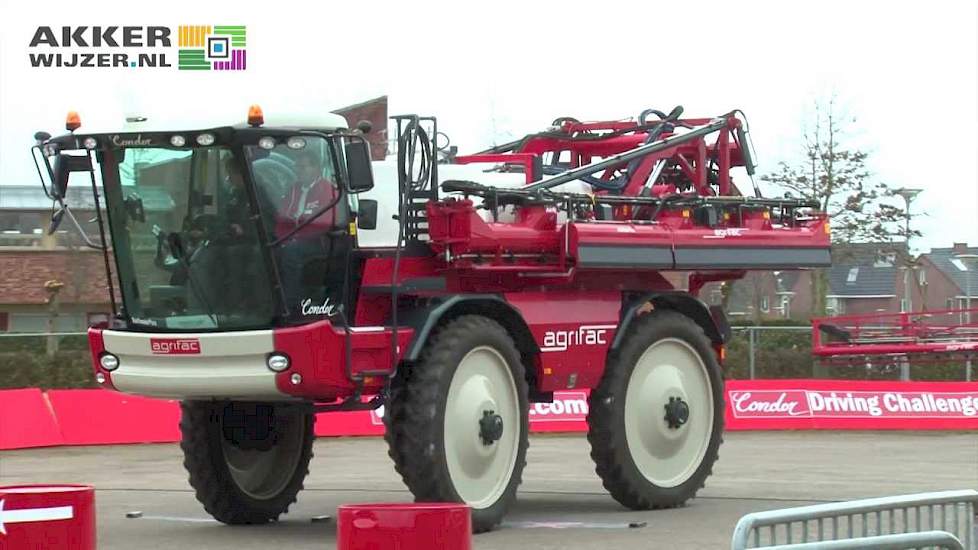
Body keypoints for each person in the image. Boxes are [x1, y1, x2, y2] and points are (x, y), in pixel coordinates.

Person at [274, 151, 341, 315]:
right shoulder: (293, 190)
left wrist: (295, 238)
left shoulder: (327, 190)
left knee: (291, 252)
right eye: (298, 167)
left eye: (304, 167)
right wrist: (281, 239)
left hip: (318, 241)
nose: (300, 170)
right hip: (292, 239)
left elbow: (324, 222)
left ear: (316, 168)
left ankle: (291, 305)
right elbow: (281, 218)